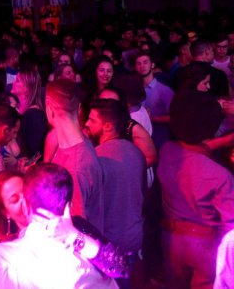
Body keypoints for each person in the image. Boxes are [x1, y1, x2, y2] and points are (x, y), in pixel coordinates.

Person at [0, 163, 118, 289]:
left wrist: (76, 237)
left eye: (25, 192)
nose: (25, 199)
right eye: (15, 199)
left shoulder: (75, 226)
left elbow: (118, 267)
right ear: (5, 212)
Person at [157, 91, 234, 288]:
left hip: (171, 238)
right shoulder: (220, 176)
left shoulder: (167, 151)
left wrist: (221, 142)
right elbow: (230, 226)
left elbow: (193, 150)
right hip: (206, 245)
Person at [85, 99, 146, 255]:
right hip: (133, 238)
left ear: (107, 126)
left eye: (92, 120)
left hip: (108, 244)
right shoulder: (137, 153)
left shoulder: (96, 158)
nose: (86, 123)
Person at [45, 78, 104, 231]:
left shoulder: (75, 168)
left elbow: (75, 229)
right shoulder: (81, 144)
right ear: (79, 108)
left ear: (50, 109)